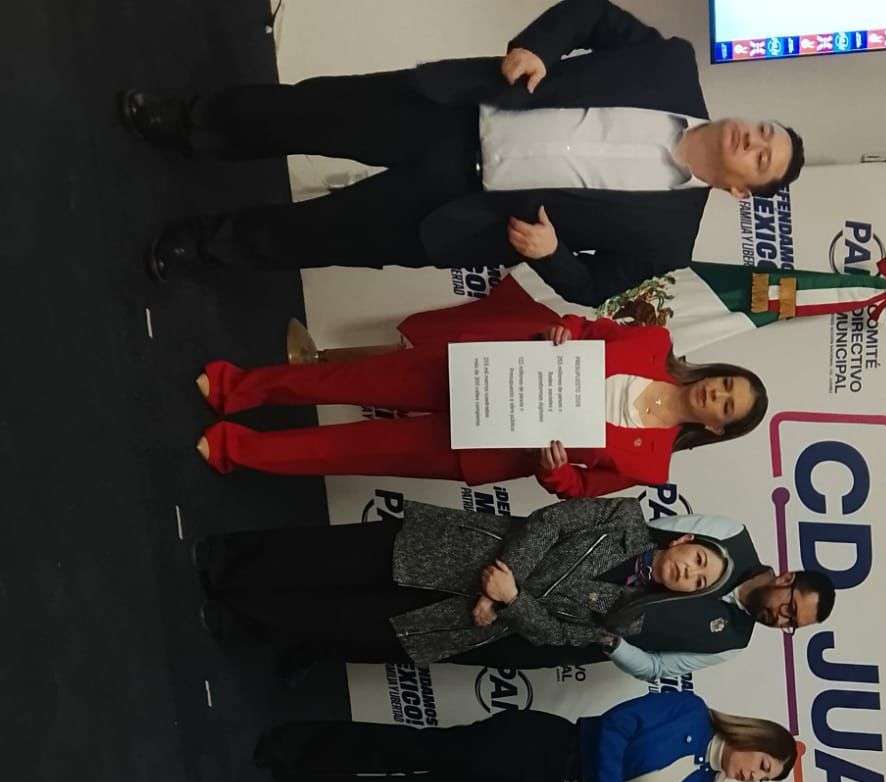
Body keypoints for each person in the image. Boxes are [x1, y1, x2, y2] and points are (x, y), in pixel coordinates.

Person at [125, 0, 805, 302]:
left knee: (318, 233)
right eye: (764, 130)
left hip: (461, 211)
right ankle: (189, 123)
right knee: (304, 112)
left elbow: (594, 288)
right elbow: (592, 11)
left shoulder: (670, 240)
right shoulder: (670, 65)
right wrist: (540, 46)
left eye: (761, 158)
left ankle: (202, 245)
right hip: (451, 107)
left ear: (740, 189)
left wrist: (552, 254)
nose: (753, 140)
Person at [195, 274, 767, 490]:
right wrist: (565, 331)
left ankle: (238, 450)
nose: (716, 394)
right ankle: (236, 388)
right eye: (725, 384)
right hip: (486, 373)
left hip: (485, 446)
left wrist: (556, 469)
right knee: (346, 379)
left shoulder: (651, 465)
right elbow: (587, 326)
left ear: (718, 428)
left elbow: (576, 489)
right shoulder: (653, 343)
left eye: (726, 406)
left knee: (349, 450)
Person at [194, 497, 768, 674]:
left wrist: (510, 602)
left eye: (698, 581)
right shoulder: (625, 518)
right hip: (468, 550)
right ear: (682, 540)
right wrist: (504, 579)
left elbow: (556, 637)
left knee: (345, 622)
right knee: (334, 557)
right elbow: (552, 521)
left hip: (477, 619)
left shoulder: (627, 616)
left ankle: (241, 617)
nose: (689, 572)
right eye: (696, 559)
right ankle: (226, 560)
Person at [253, 690, 797, 782]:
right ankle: (294, 745)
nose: (752, 776)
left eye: (761, 781)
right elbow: (614, 727)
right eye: (762, 766)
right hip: (543, 748)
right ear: (755, 739)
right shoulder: (689, 710)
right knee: (412, 750)